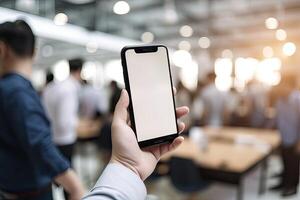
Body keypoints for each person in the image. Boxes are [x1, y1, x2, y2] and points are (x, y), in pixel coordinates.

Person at [0, 20, 85, 199]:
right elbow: (40, 143)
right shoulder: (17, 91)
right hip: (29, 192)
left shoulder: (14, 89)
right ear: (35, 53)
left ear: (2, 49)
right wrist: (75, 187)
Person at [84, 89, 189, 200]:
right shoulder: (122, 128)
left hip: (108, 166)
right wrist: (126, 165)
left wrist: (126, 165)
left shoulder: (106, 125)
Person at [43, 58, 83, 164]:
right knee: (65, 173)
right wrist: (78, 124)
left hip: (50, 137)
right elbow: (64, 122)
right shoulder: (68, 89)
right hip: (64, 139)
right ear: (80, 71)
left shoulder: (51, 87)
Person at [271, 74, 300, 197]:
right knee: (285, 161)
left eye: (283, 85)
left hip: (295, 138)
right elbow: (278, 119)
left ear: (290, 86)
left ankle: (292, 187)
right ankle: (283, 182)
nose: (281, 88)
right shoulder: (279, 100)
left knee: (294, 164)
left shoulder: (297, 100)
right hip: (284, 137)